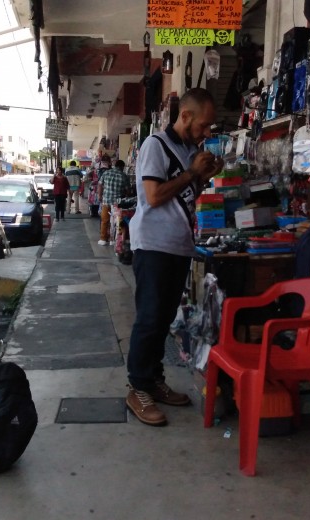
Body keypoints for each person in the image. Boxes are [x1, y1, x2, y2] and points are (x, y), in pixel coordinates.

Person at [125, 88, 224, 427]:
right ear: (185, 117)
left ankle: (153, 379)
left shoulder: (188, 150)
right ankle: (137, 387)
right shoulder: (156, 145)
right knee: (150, 317)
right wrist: (190, 173)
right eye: (204, 126)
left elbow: (182, 196)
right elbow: (153, 196)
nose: (207, 133)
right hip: (152, 244)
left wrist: (202, 177)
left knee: (163, 319)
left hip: (178, 245)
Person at [97, 159, 131, 246]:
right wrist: (126, 197)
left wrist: (100, 196)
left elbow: (100, 185)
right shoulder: (124, 175)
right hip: (118, 203)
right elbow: (128, 190)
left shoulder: (106, 173)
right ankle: (114, 240)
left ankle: (103, 239)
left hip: (106, 201)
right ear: (122, 167)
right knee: (117, 222)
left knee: (105, 220)